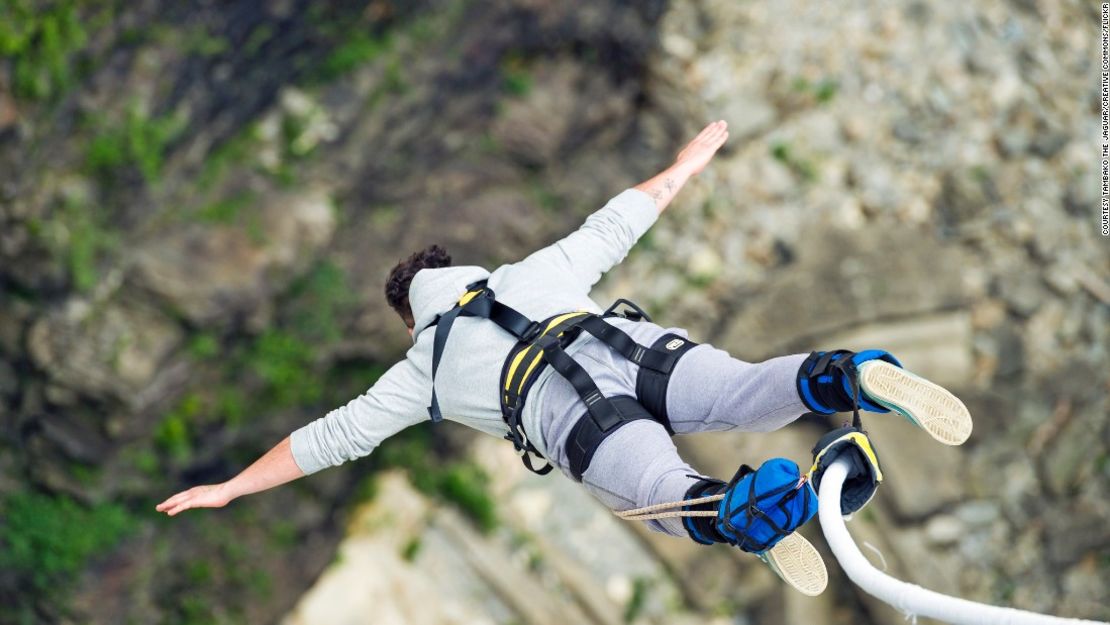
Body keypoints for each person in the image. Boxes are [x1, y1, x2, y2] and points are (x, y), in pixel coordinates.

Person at [156, 121, 972, 595]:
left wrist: (229, 486)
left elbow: (326, 439)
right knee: (746, 390)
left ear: (413, 317)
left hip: (578, 417)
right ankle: (845, 376)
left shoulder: (421, 372)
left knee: (666, 491)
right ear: (461, 271)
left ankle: (743, 513)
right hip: (637, 350)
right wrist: (687, 163)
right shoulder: (527, 273)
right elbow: (620, 219)